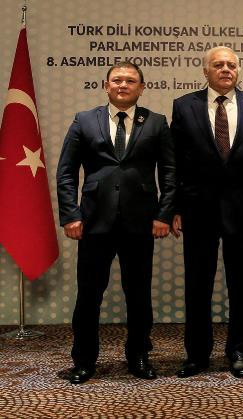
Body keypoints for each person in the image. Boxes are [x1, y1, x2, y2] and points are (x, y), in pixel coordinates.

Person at [56, 62, 176, 384]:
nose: (123, 85)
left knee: (138, 294)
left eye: (131, 81)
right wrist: (71, 215)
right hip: (94, 222)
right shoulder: (84, 120)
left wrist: (164, 214)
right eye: (117, 80)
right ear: (106, 86)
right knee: (89, 295)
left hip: (141, 223)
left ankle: (139, 355)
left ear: (141, 88)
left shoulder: (156, 122)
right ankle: (84, 360)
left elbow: (169, 173)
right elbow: (66, 172)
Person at [170, 46, 243, 379]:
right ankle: (197, 354)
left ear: (238, 70)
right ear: (206, 71)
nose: (226, 69)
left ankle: (240, 352)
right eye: (218, 65)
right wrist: (175, 208)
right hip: (198, 210)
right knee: (197, 286)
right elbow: (175, 162)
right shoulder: (184, 106)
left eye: (231, 65)